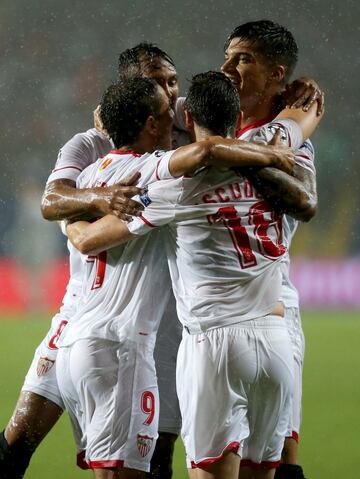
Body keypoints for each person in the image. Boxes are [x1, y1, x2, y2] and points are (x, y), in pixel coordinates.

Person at [0, 40, 321, 479]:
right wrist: (100, 199)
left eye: (173, 82)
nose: (171, 95)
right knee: (17, 441)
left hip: (162, 323)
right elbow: (52, 199)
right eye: (157, 85)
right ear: (132, 98)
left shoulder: (178, 132)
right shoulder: (95, 144)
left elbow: (222, 112)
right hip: (85, 315)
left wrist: (289, 94)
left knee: (157, 458)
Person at [57, 73, 297, 479]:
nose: (174, 118)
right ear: (238, 117)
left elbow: (90, 237)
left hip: (205, 341)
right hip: (274, 339)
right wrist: (273, 155)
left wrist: (71, 226)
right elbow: (300, 199)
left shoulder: (140, 185)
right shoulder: (276, 184)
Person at [221, 20, 319, 479]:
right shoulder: (211, 122)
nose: (228, 67)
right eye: (228, 56)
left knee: (277, 461)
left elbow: (304, 202)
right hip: (205, 316)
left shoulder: (295, 143)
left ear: (276, 73)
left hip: (271, 307)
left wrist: (249, 152)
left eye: (243, 59)